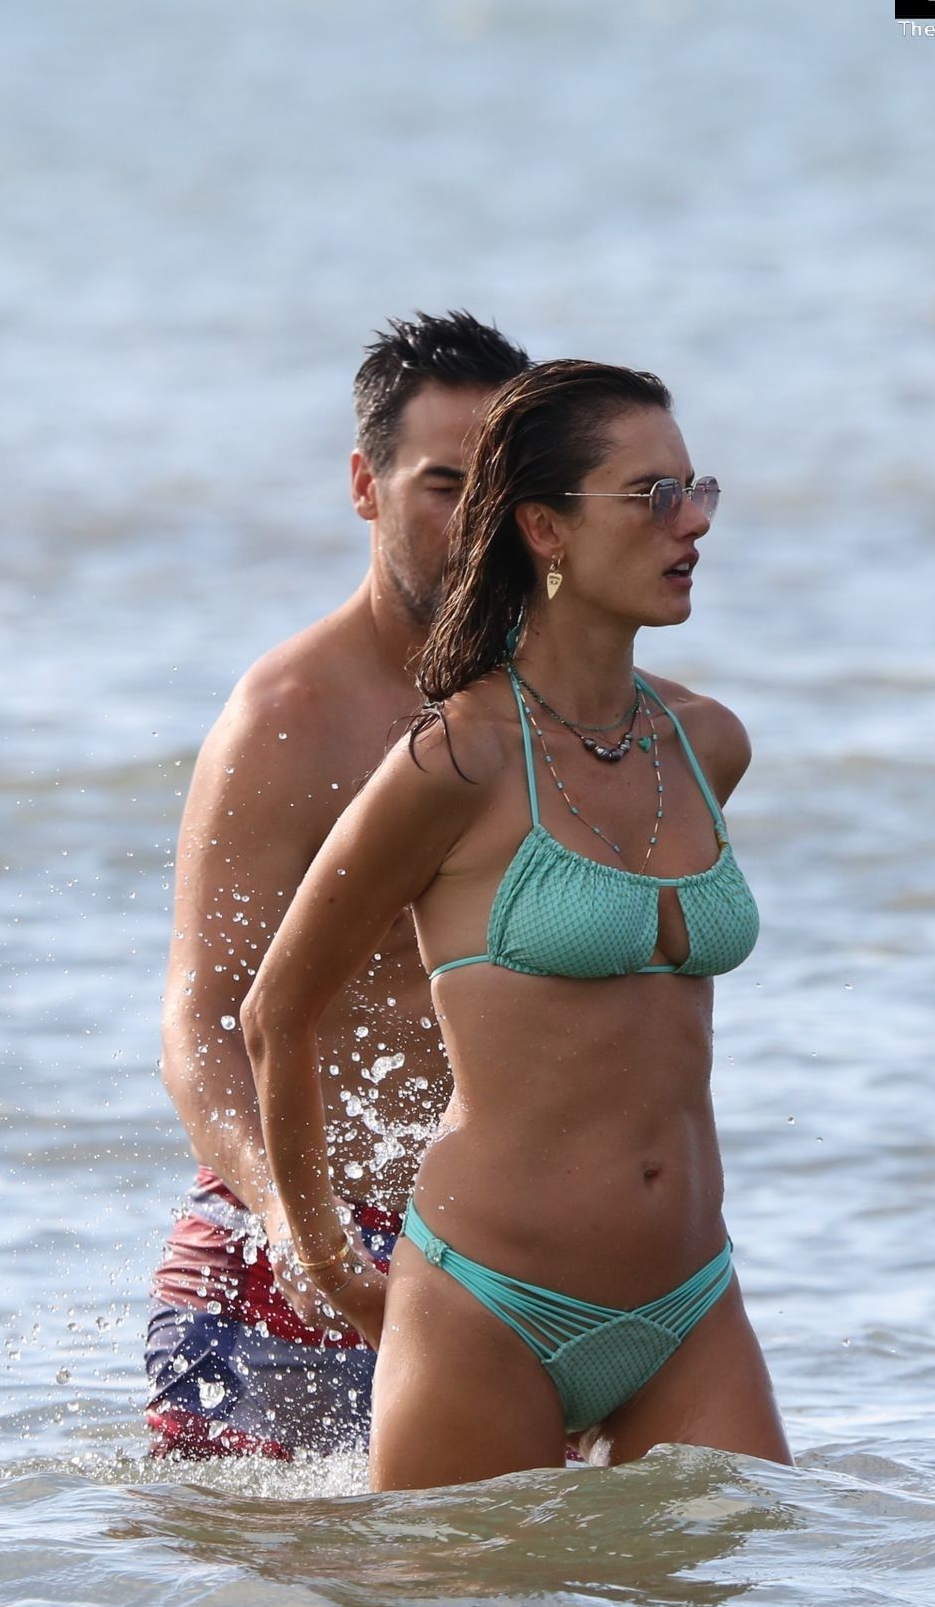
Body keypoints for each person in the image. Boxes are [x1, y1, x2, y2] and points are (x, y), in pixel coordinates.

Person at [242, 359, 794, 1489]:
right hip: (488, 1302)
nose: (692, 522)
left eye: (697, 491)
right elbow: (274, 1013)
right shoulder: (456, 760)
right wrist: (328, 1262)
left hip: (689, 1300)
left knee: (746, 1589)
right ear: (544, 527)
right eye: (651, 496)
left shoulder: (707, 744)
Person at [145, 310, 532, 1459]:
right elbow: (202, 1020)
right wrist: (290, 1219)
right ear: (365, 486)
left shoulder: (566, 712)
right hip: (293, 1275)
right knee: (298, 1585)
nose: (475, 526)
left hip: (501, 1261)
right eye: (442, 486)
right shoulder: (290, 718)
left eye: (500, 491)